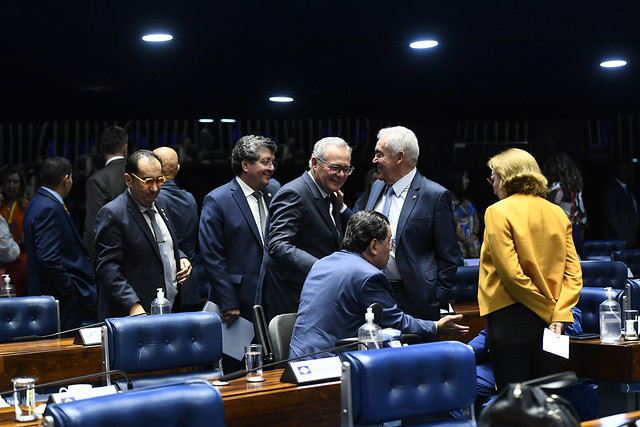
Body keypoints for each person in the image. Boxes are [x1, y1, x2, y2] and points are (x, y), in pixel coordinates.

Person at [289, 210, 469, 360]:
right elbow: (397, 322)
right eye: (389, 241)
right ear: (374, 245)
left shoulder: (321, 264)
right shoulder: (369, 276)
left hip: (296, 360)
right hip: (331, 365)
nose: (390, 248)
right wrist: (436, 326)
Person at [479, 148, 582, 393]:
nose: (493, 186)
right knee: (546, 399)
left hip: (510, 319)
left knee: (515, 403)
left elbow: (512, 275)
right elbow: (573, 274)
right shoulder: (557, 212)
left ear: (507, 177)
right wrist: (558, 314)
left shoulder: (497, 211)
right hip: (554, 324)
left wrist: (548, 311)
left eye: (494, 178)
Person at [365, 126, 460, 321]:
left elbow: (449, 255)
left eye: (379, 154)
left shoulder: (434, 195)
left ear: (399, 157)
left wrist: (437, 298)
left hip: (416, 300)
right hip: (374, 292)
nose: (374, 160)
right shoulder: (377, 187)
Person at [199, 135, 278, 372]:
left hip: (272, 299)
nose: (271, 168)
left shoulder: (275, 193)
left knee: (272, 367)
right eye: (265, 162)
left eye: (273, 162)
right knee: (237, 370)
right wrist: (228, 300)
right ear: (245, 164)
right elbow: (212, 255)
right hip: (237, 304)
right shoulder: (218, 199)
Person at [258, 137, 354, 321]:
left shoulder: (330, 194)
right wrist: (320, 267)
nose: (341, 175)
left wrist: (342, 208)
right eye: (334, 167)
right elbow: (278, 245)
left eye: (346, 169)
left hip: (316, 295)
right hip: (292, 299)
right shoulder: (295, 193)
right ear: (314, 163)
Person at [94, 149, 192, 320]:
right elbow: (108, 268)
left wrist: (181, 257)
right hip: (135, 314)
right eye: (147, 181)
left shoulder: (163, 203)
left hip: (170, 309)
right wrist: (133, 305)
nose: (155, 188)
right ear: (128, 180)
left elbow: (163, 243)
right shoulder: (113, 213)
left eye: (159, 180)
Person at [23, 157, 96, 330]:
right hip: (57, 297)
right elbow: (48, 257)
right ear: (66, 179)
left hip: (50, 294)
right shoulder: (48, 207)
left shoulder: (37, 202)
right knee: (63, 342)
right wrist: (69, 288)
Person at [154, 146, 200, 312]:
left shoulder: (153, 200)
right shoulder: (190, 198)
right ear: (178, 169)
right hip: (191, 285)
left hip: (165, 290)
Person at [84, 125, 128, 262]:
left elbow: (93, 227)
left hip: (111, 257)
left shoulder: (97, 180)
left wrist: (91, 262)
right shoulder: (139, 175)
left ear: (101, 148)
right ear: (125, 148)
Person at [543, 152, 587, 252]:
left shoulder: (557, 188)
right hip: (575, 228)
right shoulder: (575, 187)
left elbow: (548, 211)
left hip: (560, 230)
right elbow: (582, 212)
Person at [0, 166, 29, 295]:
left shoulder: (27, 206)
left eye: (15, 182)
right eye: (8, 181)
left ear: (21, 184)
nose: (11, 186)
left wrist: (28, 237)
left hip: (20, 261)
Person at [602, 159, 639, 248]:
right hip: (620, 240)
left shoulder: (629, 189)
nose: (626, 173)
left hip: (632, 236)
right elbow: (611, 216)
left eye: (628, 170)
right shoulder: (612, 190)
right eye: (623, 170)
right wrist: (622, 238)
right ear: (617, 171)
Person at [448, 168, 481, 258]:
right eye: (465, 178)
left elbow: (476, 221)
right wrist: (465, 240)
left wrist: (472, 237)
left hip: (473, 244)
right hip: (458, 246)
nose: (468, 181)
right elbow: (450, 224)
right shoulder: (447, 202)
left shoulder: (468, 200)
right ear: (457, 180)